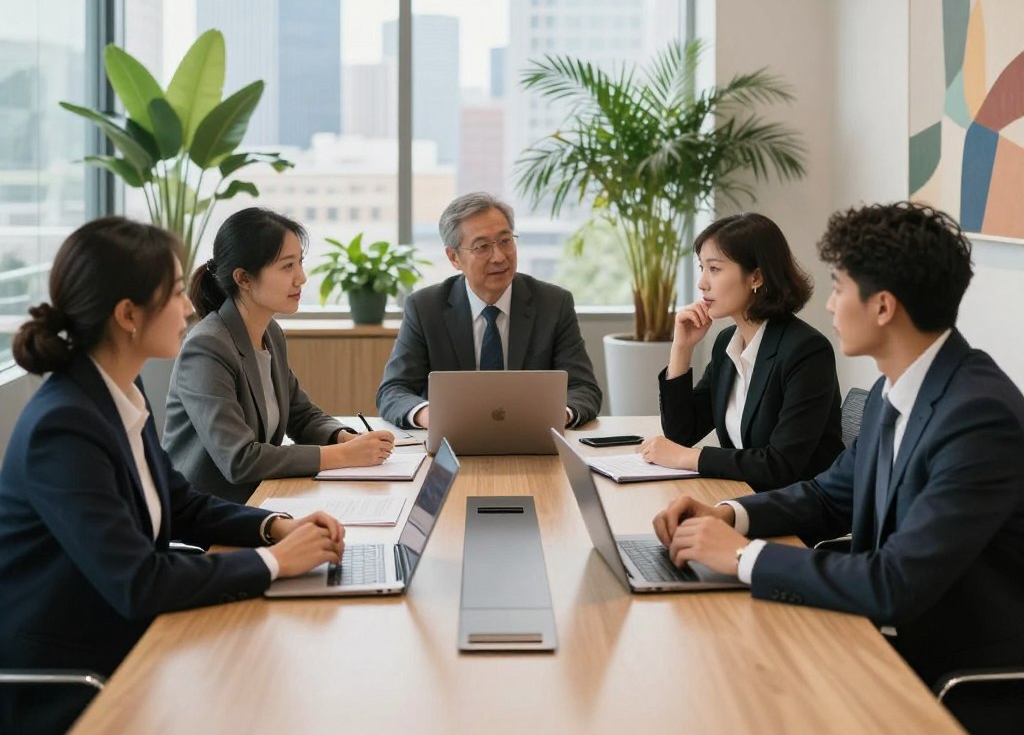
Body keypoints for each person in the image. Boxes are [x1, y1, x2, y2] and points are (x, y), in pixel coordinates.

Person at [652, 202, 1024, 732]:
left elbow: (895, 582)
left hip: (956, 679)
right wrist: (728, 514)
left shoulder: (977, 416)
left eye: (839, 288)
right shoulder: (889, 392)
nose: (828, 306)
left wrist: (742, 557)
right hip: (885, 640)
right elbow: (829, 496)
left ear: (883, 307)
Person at [0, 217, 344, 735]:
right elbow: (139, 582)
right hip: (78, 680)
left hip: (133, 637)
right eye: (178, 293)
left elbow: (182, 504)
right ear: (128, 315)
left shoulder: (117, 392)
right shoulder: (64, 426)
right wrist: (273, 563)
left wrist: (275, 526)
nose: (189, 308)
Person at [164, 208, 394, 503]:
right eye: (287, 267)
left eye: (299, 263)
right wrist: (342, 455)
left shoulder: (269, 332)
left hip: (260, 499)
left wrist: (344, 438)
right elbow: (240, 459)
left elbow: (301, 415)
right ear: (244, 279)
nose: (301, 278)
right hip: (209, 516)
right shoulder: (207, 347)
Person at [639, 213, 843, 491]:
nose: (702, 283)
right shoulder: (726, 344)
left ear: (756, 276)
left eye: (715, 269)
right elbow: (682, 433)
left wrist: (688, 458)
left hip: (795, 515)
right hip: (743, 497)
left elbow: (780, 465)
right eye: (702, 267)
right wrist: (681, 348)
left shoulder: (806, 351)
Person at [376, 192, 602, 429]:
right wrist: (428, 415)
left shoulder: (553, 304)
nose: (499, 257)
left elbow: (584, 388)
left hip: (534, 442)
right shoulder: (425, 308)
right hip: (452, 443)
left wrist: (559, 415)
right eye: (482, 247)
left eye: (505, 241)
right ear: (454, 257)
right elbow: (393, 390)